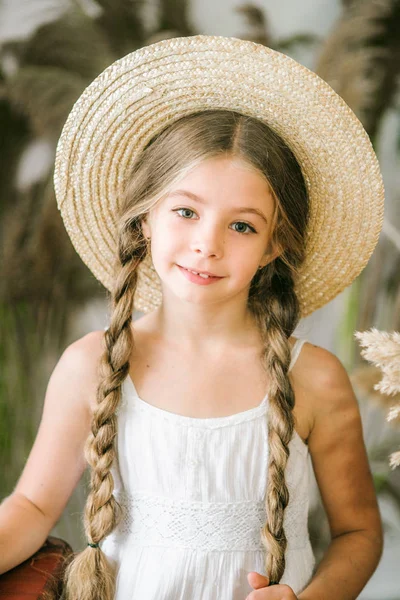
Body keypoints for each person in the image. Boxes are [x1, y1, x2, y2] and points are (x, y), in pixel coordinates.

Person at [0, 35, 385, 600]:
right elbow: (32, 506)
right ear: (145, 218)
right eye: (185, 211)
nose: (207, 244)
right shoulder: (93, 364)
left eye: (243, 225)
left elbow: (358, 533)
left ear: (275, 245)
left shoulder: (315, 379)